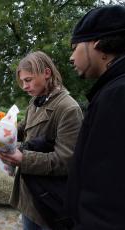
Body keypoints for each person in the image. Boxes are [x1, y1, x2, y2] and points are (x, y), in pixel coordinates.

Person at [0, 51, 83, 229]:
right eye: (22, 81)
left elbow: (66, 161)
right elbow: (23, 129)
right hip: (30, 195)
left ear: (47, 73)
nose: (24, 86)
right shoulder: (36, 101)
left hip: (49, 200)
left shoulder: (68, 108)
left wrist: (23, 159)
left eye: (28, 80)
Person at [68, 5, 125, 229]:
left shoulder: (117, 94)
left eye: (74, 48)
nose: (72, 58)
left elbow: (107, 191)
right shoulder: (110, 89)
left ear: (96, 44)